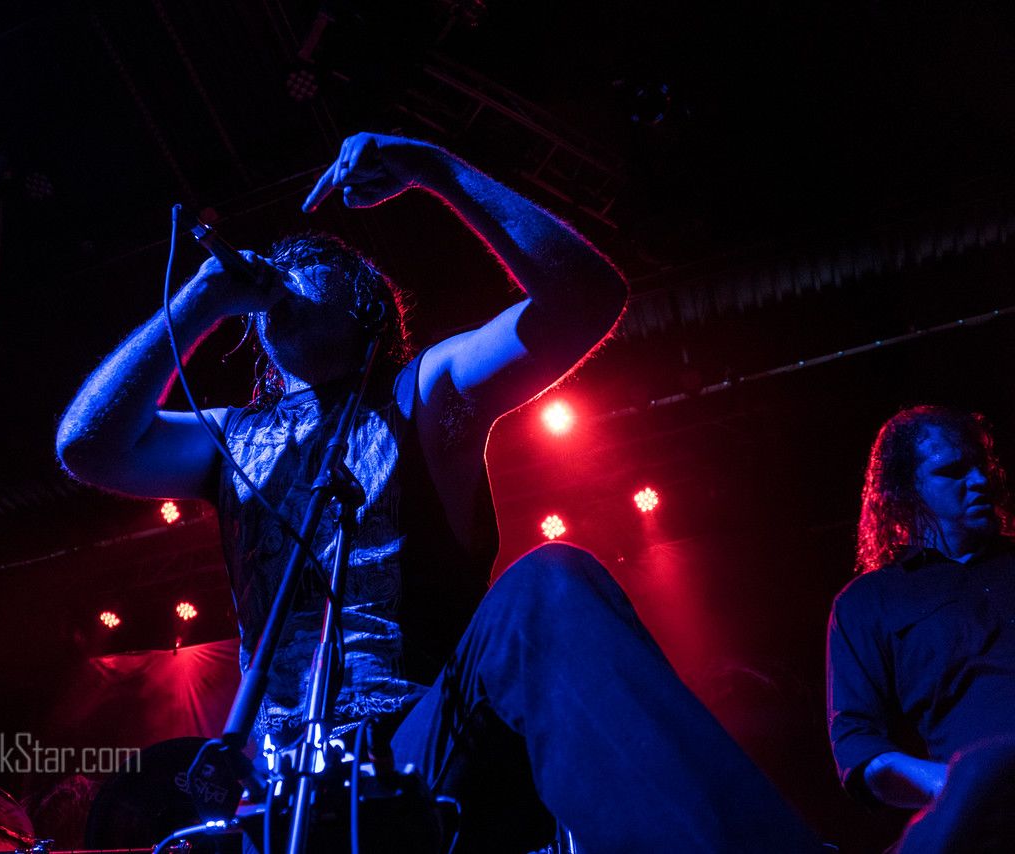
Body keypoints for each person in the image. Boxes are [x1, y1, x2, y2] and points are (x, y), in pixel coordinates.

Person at [58, 132, 820, 851]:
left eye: (310, 262)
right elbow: (86, 446)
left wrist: (437, 169)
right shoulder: (229, 437)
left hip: (421, 747)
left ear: (364, 302)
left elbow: (587, 301)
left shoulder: (424, 392)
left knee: (547, 586)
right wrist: (197, 301)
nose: (283, 272)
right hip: (276, 783)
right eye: (276, 268)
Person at [827, 405, 1015, 852]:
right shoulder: (867, 602)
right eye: (953, 471)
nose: (980, 481)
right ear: (905, 492)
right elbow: (858, 746)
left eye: (981, 466)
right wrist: (962, 785)